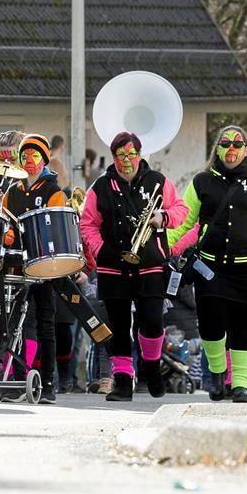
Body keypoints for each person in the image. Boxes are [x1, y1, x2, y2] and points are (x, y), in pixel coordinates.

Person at [168, 125, 247, 403]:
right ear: (218, 149)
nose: (232, 149)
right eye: (226, 144)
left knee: (244, 326)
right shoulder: (202, 182)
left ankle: (240, 384)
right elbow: (185, 221)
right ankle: (217, 374)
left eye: (238, 144)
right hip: (213, 268)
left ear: (246, 149)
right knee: (211, 326)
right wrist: (160, 245)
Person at [80, 131, 187, 402]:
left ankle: (151, 366)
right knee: (118, 326)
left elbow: (182, 211)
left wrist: (162, 217)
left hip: (150, 263)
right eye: (120, 155)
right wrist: (102, 250)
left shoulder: (158, 181)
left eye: (131, 154)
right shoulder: (101, 186)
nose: (126, 160)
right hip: (112, 266)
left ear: (139, 154)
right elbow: (87, 223)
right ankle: (123, 382)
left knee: (151, 321)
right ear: (114, 156)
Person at [0, 135, 68, 403]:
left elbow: (55, 227)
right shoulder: (12, 192)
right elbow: (5, 226)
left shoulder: (53, 192)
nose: (30, 162)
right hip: (17, 265)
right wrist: (7, 236)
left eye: (35, 156)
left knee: (46, 325)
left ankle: (49, 382)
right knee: (15, 323)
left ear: (44, 160)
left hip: (43, 265)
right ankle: (17, 381)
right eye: (25, 156)